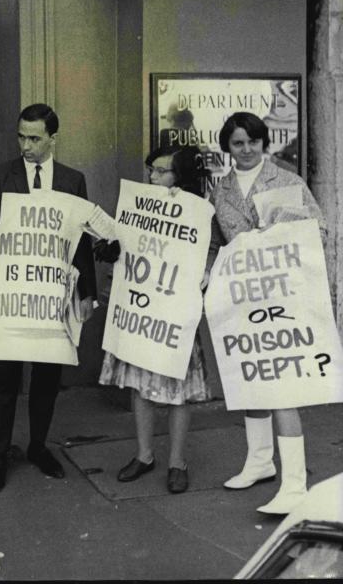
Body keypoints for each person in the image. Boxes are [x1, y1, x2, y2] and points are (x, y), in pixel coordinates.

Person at [0, 103, 97, 492]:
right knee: (4, 377)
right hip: (10, 294)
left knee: (46, 376)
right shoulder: (0, 175)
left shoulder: (73, 180)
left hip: (53, 296)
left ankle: (39, 446)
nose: (26, 145)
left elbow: (82, 242)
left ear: (53, 138)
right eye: (21, 136)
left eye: (35, 138)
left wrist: (86, 293)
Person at [208, 111, 326, 514]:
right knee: (250, 380)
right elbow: (213, 241)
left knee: (282, 388)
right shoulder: (220, 190)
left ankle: (295, 482)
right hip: (242, 296)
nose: (246, 150)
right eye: (238, 143)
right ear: (228, 146)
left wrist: (276, 232)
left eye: (253, 142)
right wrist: (208, 271)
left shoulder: (287, 181)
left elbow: (320, 230)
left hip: (281, 297)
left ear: (264, 143)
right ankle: (260, 461)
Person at [97, 145, 211, 494]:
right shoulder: (139, 206)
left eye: (163, 171)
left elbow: (211, 248)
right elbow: (120, 243)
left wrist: (206, 271)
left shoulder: (197, 210)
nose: (153, 177)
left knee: (177, 390)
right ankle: (144, 454)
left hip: (174, 314)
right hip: (143, 312)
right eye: (152, 170)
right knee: (141, 385)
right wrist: (109, 248)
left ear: (181, 176)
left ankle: (178, 461)